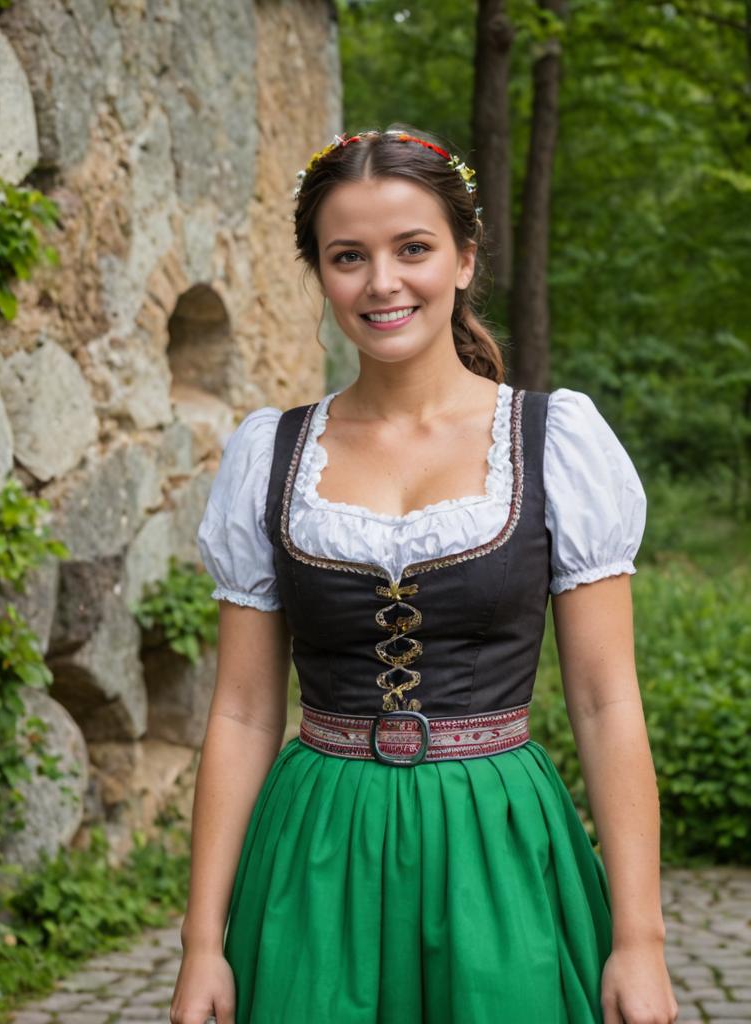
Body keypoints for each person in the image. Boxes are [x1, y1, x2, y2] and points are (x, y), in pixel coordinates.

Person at [169, 125, 679, 1024]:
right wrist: (202, 943)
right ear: (321, 275)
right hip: (317, 847)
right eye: (347, 256)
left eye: (413, 249)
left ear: (465, 257)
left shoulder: (553, 442)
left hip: (499, 844)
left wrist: (640, 942)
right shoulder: (271, 454)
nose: (382, 282)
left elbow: (606, 702)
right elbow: (245, 710)